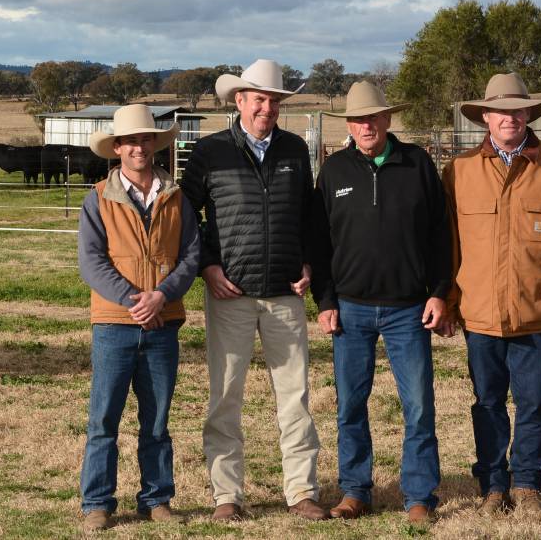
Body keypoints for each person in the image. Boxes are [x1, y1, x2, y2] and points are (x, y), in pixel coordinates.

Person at [180, 59, 331, 522]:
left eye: (274, 101)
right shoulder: (210, 153)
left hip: (285, 293)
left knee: (295, 397)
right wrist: (207, 266)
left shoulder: (293, 150)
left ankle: (302, 492)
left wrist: (306, 261)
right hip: (232, 293)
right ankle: (227, 496)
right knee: (226, 396)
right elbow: (188, 218)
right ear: (239, 101)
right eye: (259, 99)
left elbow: (307, 214)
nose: (267, 108)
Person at [443, 72, 541, 515]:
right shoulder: (459, 171)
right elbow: (447, 244)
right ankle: (493, 484)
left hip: (537, 312)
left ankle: (528, 483)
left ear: (529, 113)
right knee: (488, 402)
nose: (509, 117)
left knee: (532, 401)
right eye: (500, 111)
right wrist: (449, 304)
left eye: (517, 110)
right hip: (479, 313)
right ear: (485, 117)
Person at [313, 80, 452, 526]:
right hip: (350, 310)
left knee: (418, 405)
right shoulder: (334, 171)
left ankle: (418, 495)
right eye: (357, 119)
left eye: (373, 117)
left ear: (389, 119)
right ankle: (355, 491)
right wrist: (325, 300)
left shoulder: (417, 164)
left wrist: (438, 291)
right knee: (350, 405)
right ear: (348, 125)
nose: (365, 125)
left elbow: (440, 234)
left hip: (409, 309)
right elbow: (320, 243)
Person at [77, 104, 201, 533]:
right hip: (115, 322)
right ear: (117, 148)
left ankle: (157, 498)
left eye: (145, 139)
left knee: (158, 417)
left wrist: (162, 295)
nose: (138, 147)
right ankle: (97, 502)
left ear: (155, 144)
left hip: (163, 323)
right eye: (130, 141)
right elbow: (91, 263)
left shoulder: (177, 196)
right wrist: (136, 300)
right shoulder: (97, 199)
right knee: (104, 418)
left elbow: (191, 256)